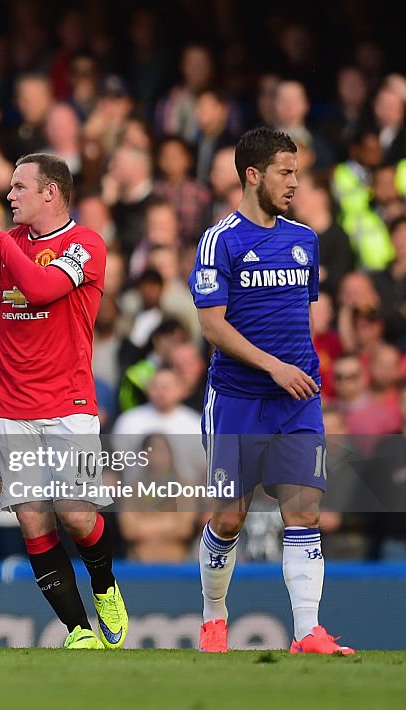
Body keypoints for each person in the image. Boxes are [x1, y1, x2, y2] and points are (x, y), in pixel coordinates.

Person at [0, 152, 128, 650]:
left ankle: (105, 585)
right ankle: (78, 631)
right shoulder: (18, 246)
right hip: (10, 401)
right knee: (32, 518)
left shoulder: (85, 245)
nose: (10, 196)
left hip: (68, 400)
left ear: (50, 192)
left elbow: (42, 288)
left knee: (74, 512)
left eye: (19, 187)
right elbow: (11, 300)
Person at [188, 126, 354, 654]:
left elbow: (295, 319)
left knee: (303, 512)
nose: (294, 183)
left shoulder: (304, 240)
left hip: (297, 400)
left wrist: (294, 369)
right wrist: (273, 366)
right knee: (229, 516)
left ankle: (307, 631)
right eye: (285, 172)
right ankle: (214, 616)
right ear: (253, 175)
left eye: (298, 173)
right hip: (237, 399)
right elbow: (212, 326)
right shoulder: (220, 239)